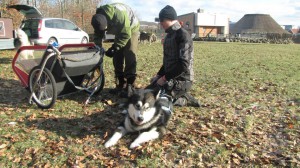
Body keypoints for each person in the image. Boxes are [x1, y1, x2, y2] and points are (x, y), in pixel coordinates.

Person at [146, 5, 200, 107]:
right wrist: (158, 75)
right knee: (147, 92)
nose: (160, 23)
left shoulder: (183, 35)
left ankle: (184, 99)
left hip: (182, 80)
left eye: (162, 20)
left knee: (156, 101)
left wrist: (164, 78)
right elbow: (167, 61)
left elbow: (183, 65)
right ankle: (176, 94)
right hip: (169, 77)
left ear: (169, 19)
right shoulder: (169, 36)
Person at [91, 3, 140, 94]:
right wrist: (98, 49)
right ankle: (120, 83)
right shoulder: (98, 19)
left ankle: (130, 85)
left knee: (130, 53)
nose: (105, 31)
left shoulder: (119, 14)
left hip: (131, 28)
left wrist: (115, 47)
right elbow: (98, 36)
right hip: (119, 30)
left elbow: (125, 34)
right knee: (117, 57)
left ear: (108, 22)